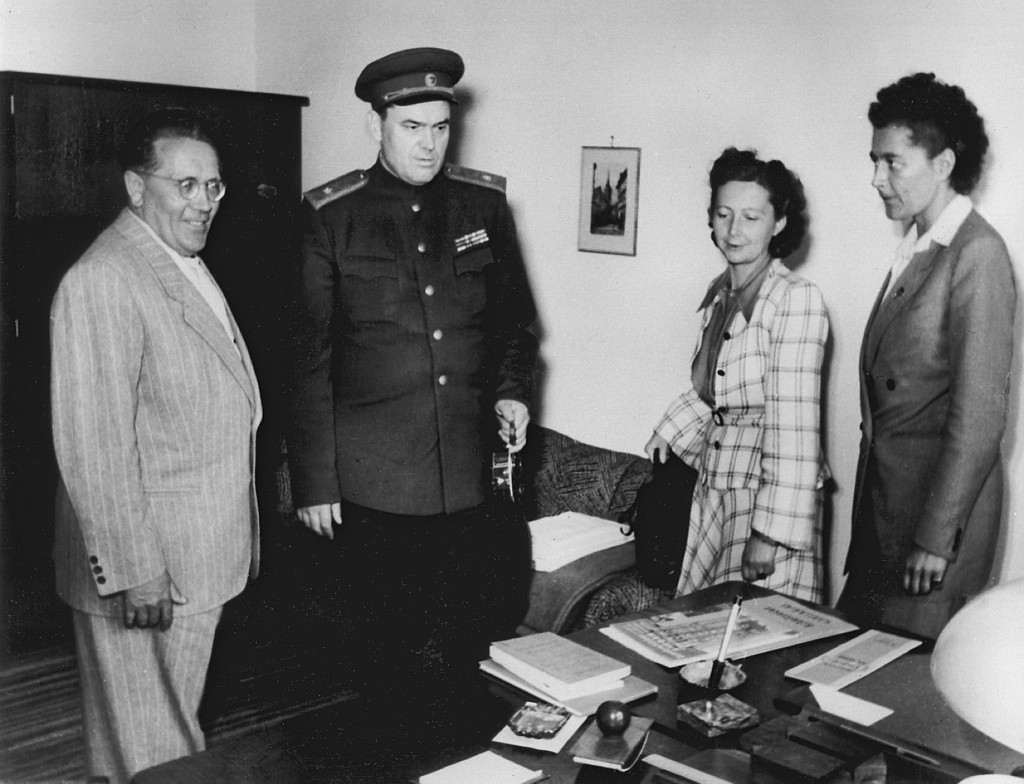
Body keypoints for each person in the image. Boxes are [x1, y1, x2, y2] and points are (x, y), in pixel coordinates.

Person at [287, 47, 537, 738]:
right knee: (383, 663)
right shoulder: (332, 216)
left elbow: (516, 324)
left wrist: (513, 390)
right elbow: (307, 359)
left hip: (468, 482)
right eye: (411, 128)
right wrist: (314, 483)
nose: (428, 143)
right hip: (375, 490)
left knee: (472, 653)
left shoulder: (483, 203)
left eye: (439, 127)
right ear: (378, 126)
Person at [50, 109, 262, 783]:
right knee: (151, 755)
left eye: (214, 186)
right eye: (186, 184)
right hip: (147, 571)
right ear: (135, 187)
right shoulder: (106, 278)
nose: (203, 202)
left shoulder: (177, 261)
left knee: (160, 742)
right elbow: (95, 443)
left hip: (192, 561)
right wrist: (134, 569)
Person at [837, 73, 1016, 639]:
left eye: (892, 162)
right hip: (888, 518)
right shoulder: (918, 248)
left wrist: (934, 540)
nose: (876, 178)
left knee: (899, 700)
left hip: (931, 536)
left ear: (942, 164)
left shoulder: (977, 253)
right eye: (874, 160)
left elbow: (979, 416)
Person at [648, 148, 829, 604]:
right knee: (706, 636)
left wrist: (769, 534)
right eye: (724, 214)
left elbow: (795, 427)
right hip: (719, 482)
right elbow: (717, 390)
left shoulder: (795, 298)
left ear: (779, 224)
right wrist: (667, 432)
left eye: (751, 217)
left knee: (762, 638)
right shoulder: (720, 295)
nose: (733, 230)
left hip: (766, 493)